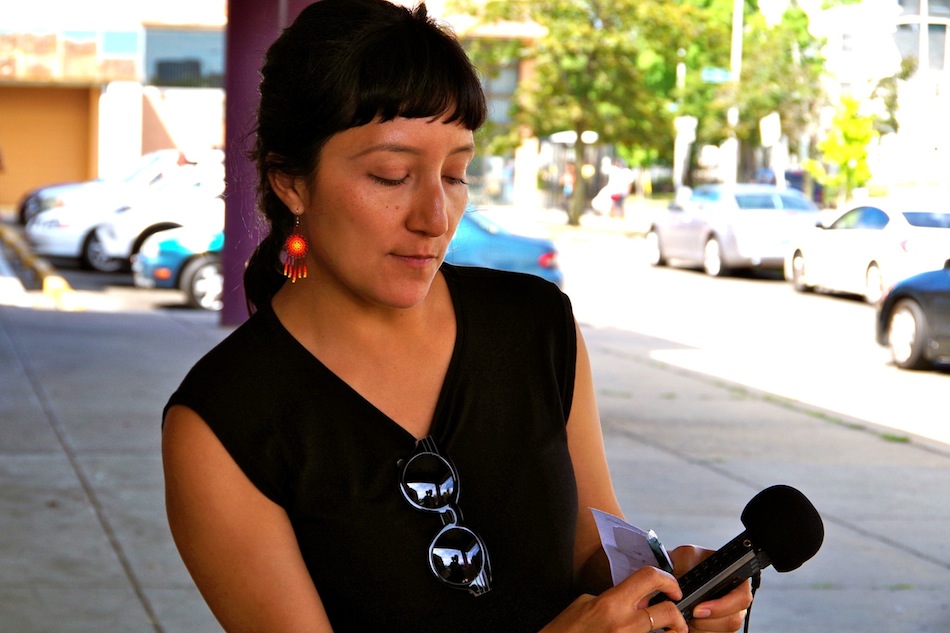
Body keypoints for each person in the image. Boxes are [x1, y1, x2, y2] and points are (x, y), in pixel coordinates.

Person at [161, 1, 752, 632]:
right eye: (391, 176)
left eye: (454, 173)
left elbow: (588, 552)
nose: (435, 217)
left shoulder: (536, 326)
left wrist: (658, 594)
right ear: (290, 182)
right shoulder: (221, 423)